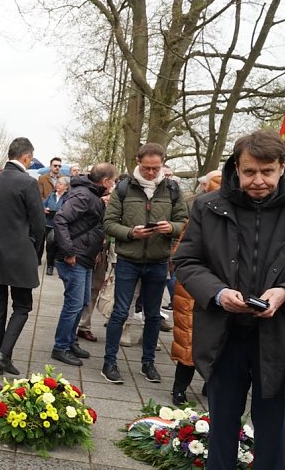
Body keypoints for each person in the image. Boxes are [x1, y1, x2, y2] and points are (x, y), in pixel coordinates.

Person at [174, 130, 285, 470]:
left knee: (274, 423)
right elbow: (186, 262)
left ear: (282, 168)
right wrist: (218, 293)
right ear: (235, 169)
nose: (259, 181)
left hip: (278, 335)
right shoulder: (208, 206)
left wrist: (284, 291)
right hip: (224, 332)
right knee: (223, 419)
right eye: (250, 171)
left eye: (267, 172)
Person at [101, 143, 188, 384]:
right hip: (129, 259)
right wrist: (130, 233)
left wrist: (171, 227)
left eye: (155, 168)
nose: (150, 172)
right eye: (146, 167)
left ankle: (148, 363)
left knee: (152, 315)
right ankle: (110, 362)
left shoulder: (172, 189)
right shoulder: (124, 188)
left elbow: (184, 222)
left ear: (162, 164)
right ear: (138, 162)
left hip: (159, 260)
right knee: (119, 312)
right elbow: (109, 223)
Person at [0, 137, 45, 376]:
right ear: (26, 157)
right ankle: (3, 354)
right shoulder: (28, 183)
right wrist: (35, 249)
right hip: (19, 253)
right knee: (22, 305)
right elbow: (39, 224)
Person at [50, 163, 117, 367]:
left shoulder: (90, 195)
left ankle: (70, 342)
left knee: (82, 301)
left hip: (85, 257)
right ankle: (60, 347)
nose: (113, 184)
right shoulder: (84, 195)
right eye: (112, 181)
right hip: (75, 258)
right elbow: (60, 219)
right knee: (74, 304)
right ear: (105, 181)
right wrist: (69, 252)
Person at [169, 169, 222, 406]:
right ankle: (179, 389)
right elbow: (184, 254)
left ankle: (209, 386)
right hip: (194, 288)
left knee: (217, 341)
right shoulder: (201, 214)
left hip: (219, 288)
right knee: (189, 341)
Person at [42, 176, 69, 275]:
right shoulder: (52, 195)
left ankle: (57, 264)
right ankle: (49, 266)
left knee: (59, 246)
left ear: (66, 186)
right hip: (49, 224)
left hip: (61, 226)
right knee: (49, 246)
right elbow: (43, 204)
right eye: (58, 183)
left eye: (61, 184)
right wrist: (44, 209)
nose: (58, 185)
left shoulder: (68, 197)